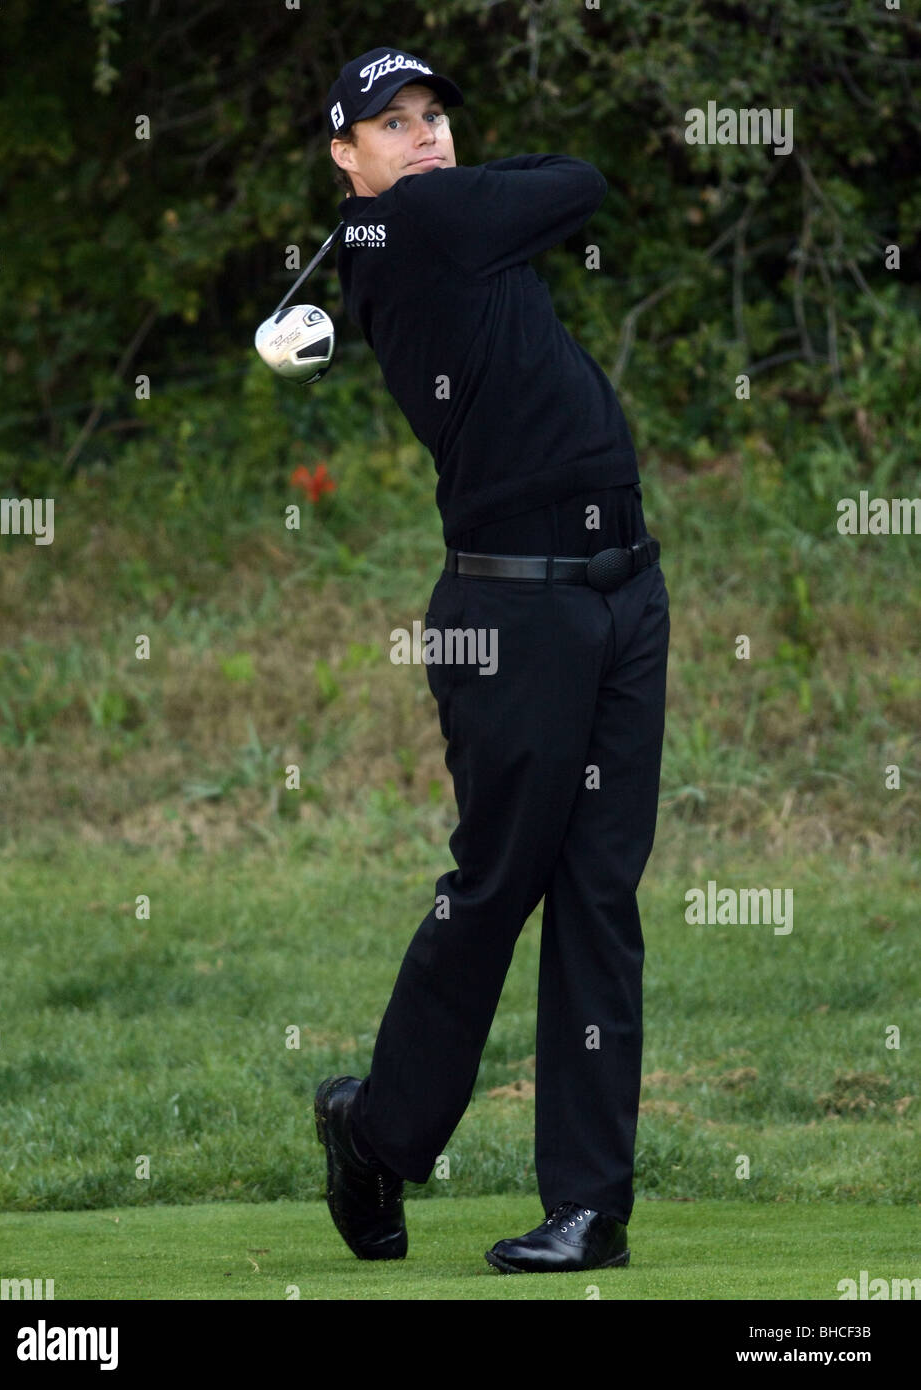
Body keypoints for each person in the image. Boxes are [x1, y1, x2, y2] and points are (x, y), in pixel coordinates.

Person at [314, 46, 670, 1275]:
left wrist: (444, 173)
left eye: (435, 116)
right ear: (345, 160)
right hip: (511, 616)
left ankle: (589, 1207)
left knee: (599, 897)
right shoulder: (410, 231)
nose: (424, 136)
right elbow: (579, 179)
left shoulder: (443, 223)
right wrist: (434, 182)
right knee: (496, 888)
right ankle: (373, 1130)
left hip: (625, 590)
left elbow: (547, 196)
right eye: (391, 124)